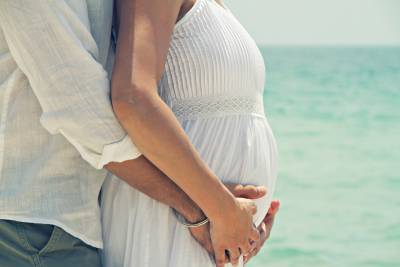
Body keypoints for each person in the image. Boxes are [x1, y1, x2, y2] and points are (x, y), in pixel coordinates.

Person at [0, 1, 279, 267]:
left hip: (76, 221)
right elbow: (84, 109)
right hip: (34, 224)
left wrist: (239, 223)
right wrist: (212, 210)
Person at [101, 0, 279, 266]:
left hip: (205, 228)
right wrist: (222, 210)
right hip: (169, 224)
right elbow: (132, 99)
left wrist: (245, 225)